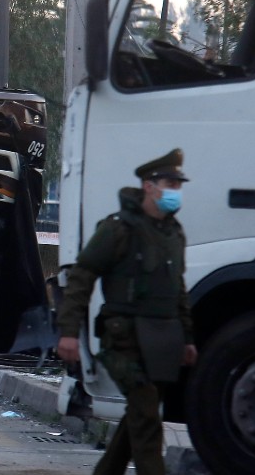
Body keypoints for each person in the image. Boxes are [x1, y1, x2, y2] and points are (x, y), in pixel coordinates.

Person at [56, 148, 198, 475]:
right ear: (149, 186)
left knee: (140, 414)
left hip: (162, 341)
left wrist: (187, 339)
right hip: (123, 339)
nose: (175, 190)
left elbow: (178, 290)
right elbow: (81, 277)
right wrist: (68, 332)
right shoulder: (118, 228)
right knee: (147, 416)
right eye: (169, 183)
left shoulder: (173, 233)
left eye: (178, 184)